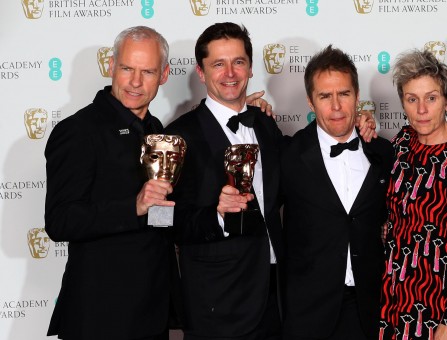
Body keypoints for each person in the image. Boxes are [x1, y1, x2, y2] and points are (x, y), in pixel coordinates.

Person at [44, 26, 177, 340]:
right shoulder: (78, 131)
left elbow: (159, 218)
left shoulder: (156, 128)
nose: (135, 81)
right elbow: (60, 222)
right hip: (99, 314)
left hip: (152, 311)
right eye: (127, 68)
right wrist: (134, 206)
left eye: (147, 71)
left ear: (164, 74)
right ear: (110, 65)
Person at [165, 22, 285, 340]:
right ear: (201, 73)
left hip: (278, 299)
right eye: (218, 63)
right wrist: (216, 215)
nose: (230, 73)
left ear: (249, 67)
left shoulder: (266, 126)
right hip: (219, 302)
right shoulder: (178, 136)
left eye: (238, 62)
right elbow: (158, 218)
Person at [279, 45, 393, 340]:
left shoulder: (383, 152)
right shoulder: (289, 154)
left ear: (357, 96)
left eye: (344, 94)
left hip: (371, 310)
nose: (337, 106)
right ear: (310, 101)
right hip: (308, 314)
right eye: (325, 96)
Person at [380, 50, 447, 340]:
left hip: (442, 307)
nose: (422, 109)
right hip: (395, 301)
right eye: (411, 99)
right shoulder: (402, 142)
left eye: (431, 98)